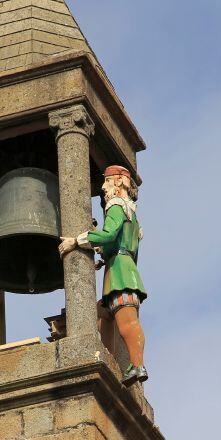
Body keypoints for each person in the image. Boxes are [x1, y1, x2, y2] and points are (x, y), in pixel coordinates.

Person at [59, 164, 148, 385]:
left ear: (118, 182)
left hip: (121, 274)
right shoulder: (132, 216)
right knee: (101, 313)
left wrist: (77, 240)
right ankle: (109, 358)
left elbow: (109, 235)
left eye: (106, 182)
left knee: (127, 322)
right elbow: (116, 243)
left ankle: (137, 365)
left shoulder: (116, 206)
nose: (103, 187)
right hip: (121, 269)